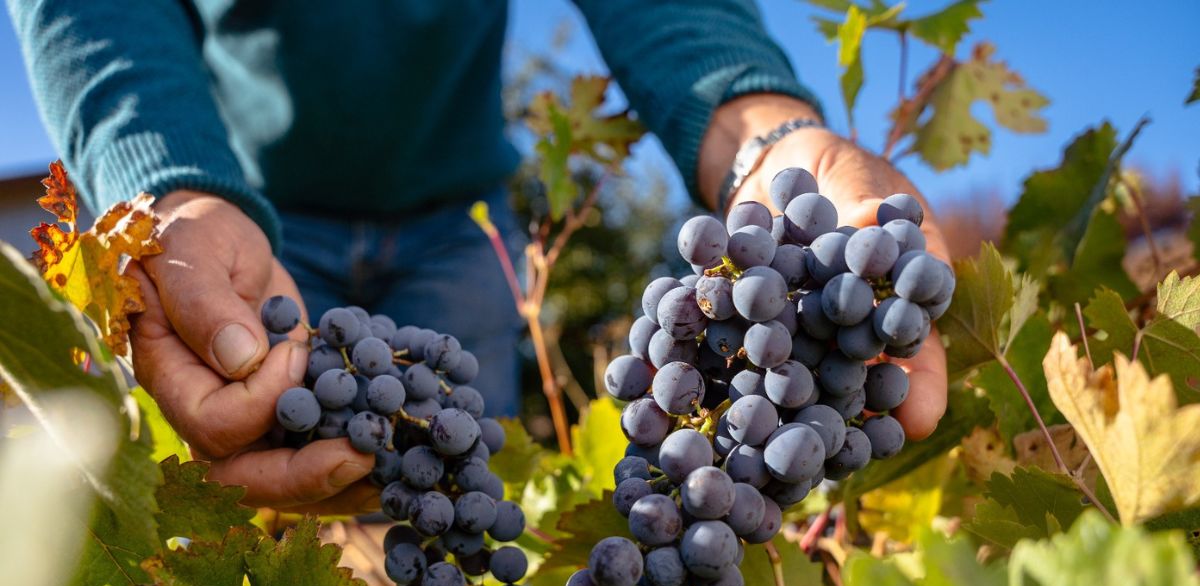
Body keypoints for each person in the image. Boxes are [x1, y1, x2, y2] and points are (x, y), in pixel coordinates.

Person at [9, 1, 948, 515]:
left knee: (452, 490)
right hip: (253, 225)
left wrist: (761, 137)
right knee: (290, 520)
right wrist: (171, 190)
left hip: (456, 220)